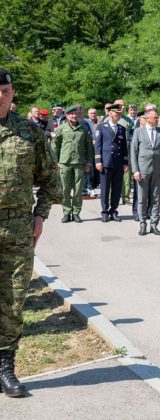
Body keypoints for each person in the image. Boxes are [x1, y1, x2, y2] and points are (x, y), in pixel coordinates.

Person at [0, 68, 62, 397]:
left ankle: (5, 367)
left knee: (13, 300)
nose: (1, 96)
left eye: (6, 91)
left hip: (17, 230)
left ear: (12, 93)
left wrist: (41, 215)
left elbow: (51, 178)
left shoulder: (29, 131)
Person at [130, 109, 160, 236]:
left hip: (158, 171)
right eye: (155, 117)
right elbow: (133, 152)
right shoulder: (138, 132)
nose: (157, 119)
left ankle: (154, 224)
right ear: (147, 119)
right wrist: (135, 170)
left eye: (157, 117)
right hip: (143, 171)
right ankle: (143, 224)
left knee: (156, 198)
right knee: (142, 198)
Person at [52, 104, 94, 223]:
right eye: (71, 114)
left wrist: (89, 163)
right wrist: (56, 162)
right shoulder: (61, 128)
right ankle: (66, 212)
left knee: (78, 190)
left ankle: (76, 213)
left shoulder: (83, 128)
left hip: (79, 163)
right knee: (65, 189)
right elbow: (55, 146)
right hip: (64, 163)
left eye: (76, 113)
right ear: (66, 115)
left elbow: (89, 147)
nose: (74, 116)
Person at [95, 103, 129, 222]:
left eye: (119, 114)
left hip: (118, 162)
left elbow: (124, 147)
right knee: (105, 188)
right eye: (116, 113)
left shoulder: (121, 128)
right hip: (106, 161)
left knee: (117, 188)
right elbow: (98, 145)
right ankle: (104, 211)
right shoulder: (101, 127)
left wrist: (125, 162)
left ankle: (113, 210)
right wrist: (98, 160)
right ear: (110, 113)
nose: (118, 115)